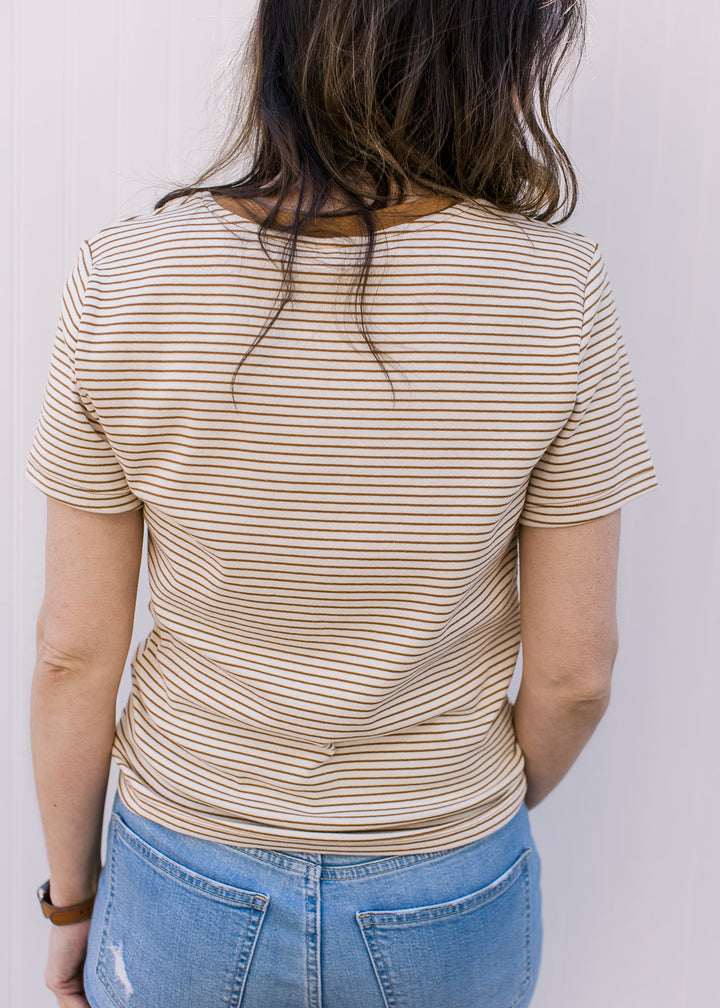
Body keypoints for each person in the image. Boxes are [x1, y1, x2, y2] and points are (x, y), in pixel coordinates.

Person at [27, 1, 658, 1006]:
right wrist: (460, 820)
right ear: (490, 56)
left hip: (183, 869)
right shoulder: (558, 288)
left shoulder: (125, 276)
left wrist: (70, 905)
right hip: (448, 882)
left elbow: (73, 653)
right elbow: (576, 673)